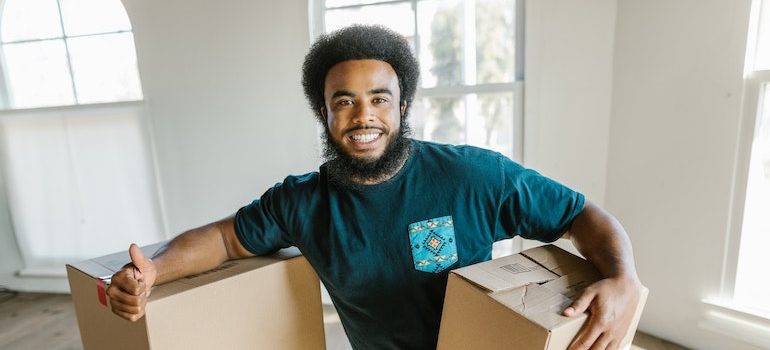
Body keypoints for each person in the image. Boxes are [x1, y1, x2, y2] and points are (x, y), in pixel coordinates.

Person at [107, 24, 643, 350]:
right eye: (344, 100)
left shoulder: (474, 176)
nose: (363, 115)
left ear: (402, 105)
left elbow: (579, 213)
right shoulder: (300, 202)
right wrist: (154, 269)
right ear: (324, 112)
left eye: (380, 98)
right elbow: (224, 239)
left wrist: (622, 277)